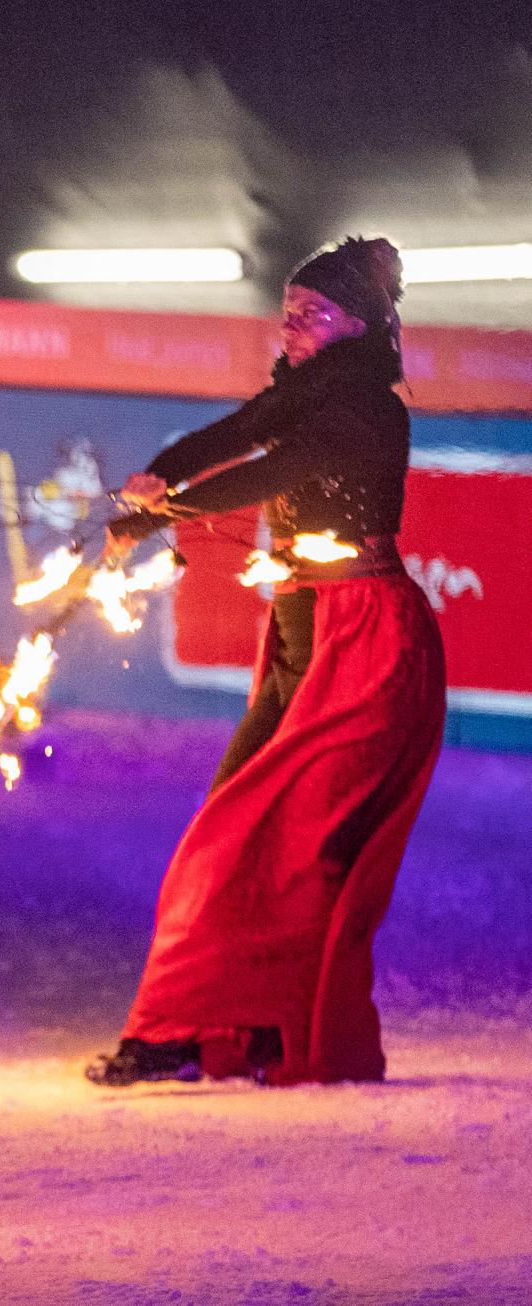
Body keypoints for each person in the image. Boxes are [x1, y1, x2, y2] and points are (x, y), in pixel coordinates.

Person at [88, 237, 447, 1088]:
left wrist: (161, 515)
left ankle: (231, 1030)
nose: (290, 327)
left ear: (356, 325)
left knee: (283, 843)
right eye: (286, 312)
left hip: (363, 642)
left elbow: (277, 469)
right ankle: (215, 1025)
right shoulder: (300, 393)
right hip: (301, 625)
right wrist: (158, 477)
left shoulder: (367, 409)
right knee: (235, 828)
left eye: (311, 314)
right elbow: (236, 435)